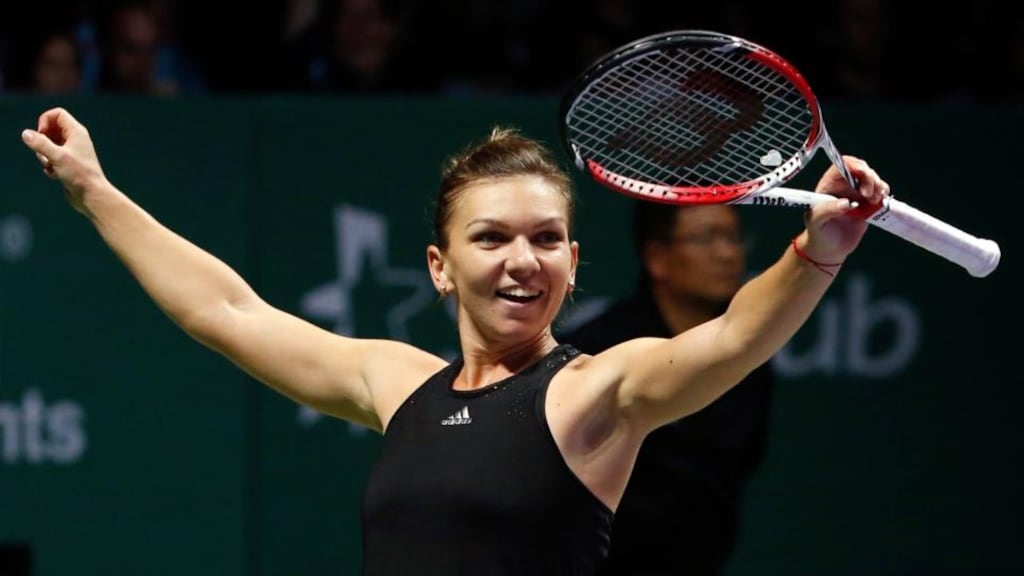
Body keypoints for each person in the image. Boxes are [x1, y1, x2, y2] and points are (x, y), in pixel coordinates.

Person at [20, 106, 889, 576]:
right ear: (440, 267)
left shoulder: (596, 392)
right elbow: (229, 312)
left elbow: (736, 334)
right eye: (492, 238)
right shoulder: (398, 383)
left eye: (547, 238)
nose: (523, 260)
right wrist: (95, 191)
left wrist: (819, 246)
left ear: (576, 262)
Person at [559, 202, 775, 576]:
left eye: (733, 236)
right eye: (707, 238)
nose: (727, 253)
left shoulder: (751, 364)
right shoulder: (592, 355)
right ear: (657, 257)